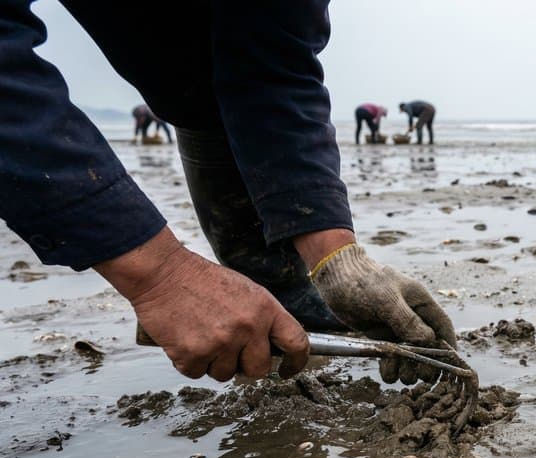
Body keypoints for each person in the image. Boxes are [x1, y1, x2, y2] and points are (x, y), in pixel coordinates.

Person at [0, 0, 455, 384]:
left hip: (209, 87)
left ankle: (274, 328)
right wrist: (158, 276)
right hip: (179, 83)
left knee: (276, 298)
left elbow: (277, 63)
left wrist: (337, 259)